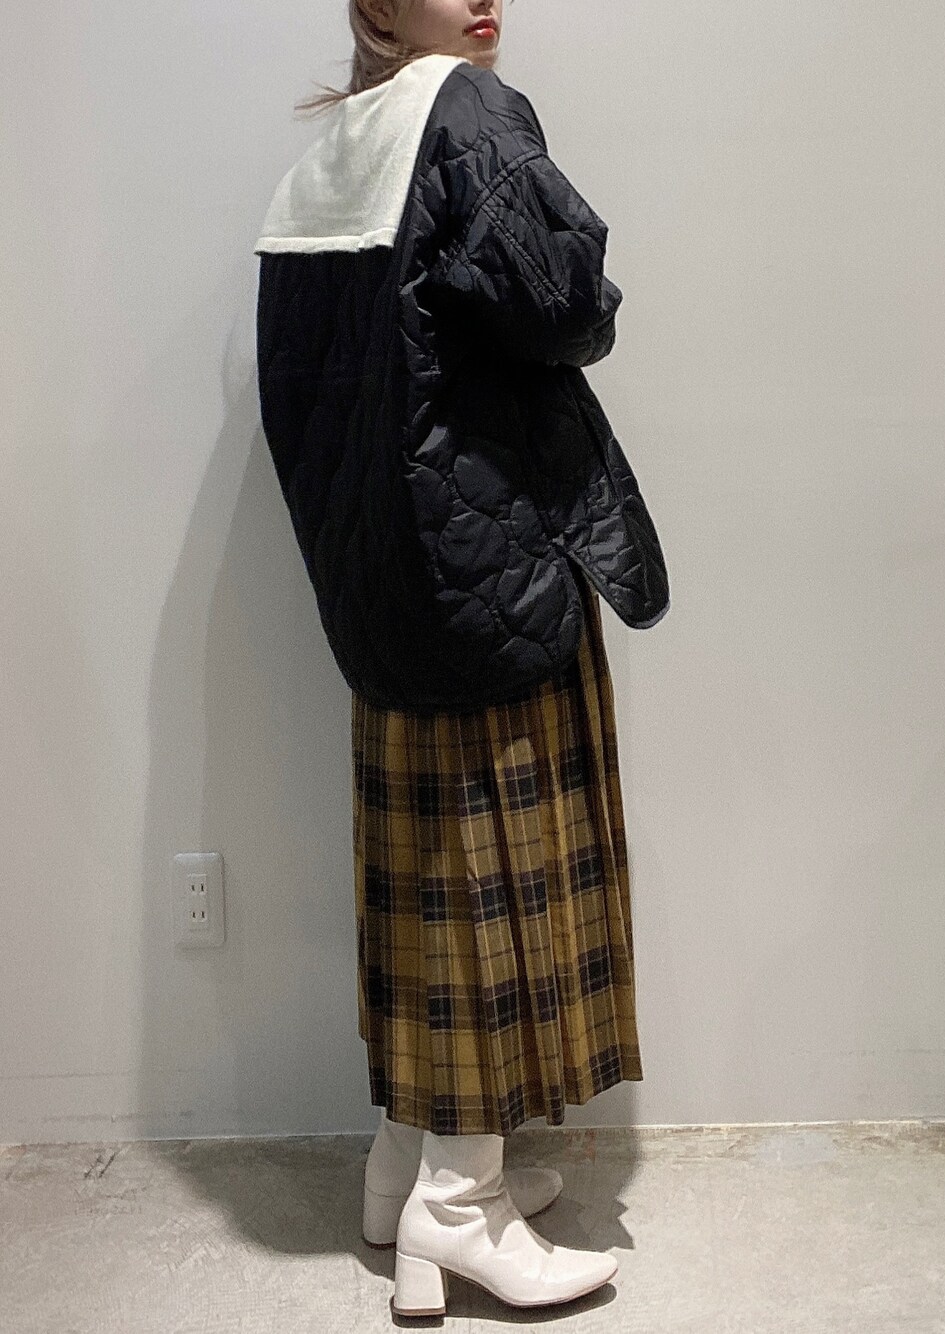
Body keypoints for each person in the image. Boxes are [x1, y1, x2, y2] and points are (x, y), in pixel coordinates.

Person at [254, 0, 670, 1315]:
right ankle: (460, 1202)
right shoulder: (468, 114)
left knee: (427, 882)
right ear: (380, 5)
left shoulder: (335, 150)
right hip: (490, 572)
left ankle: (405, 1162)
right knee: (499, 880)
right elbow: (566, 306)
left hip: (387, 586)